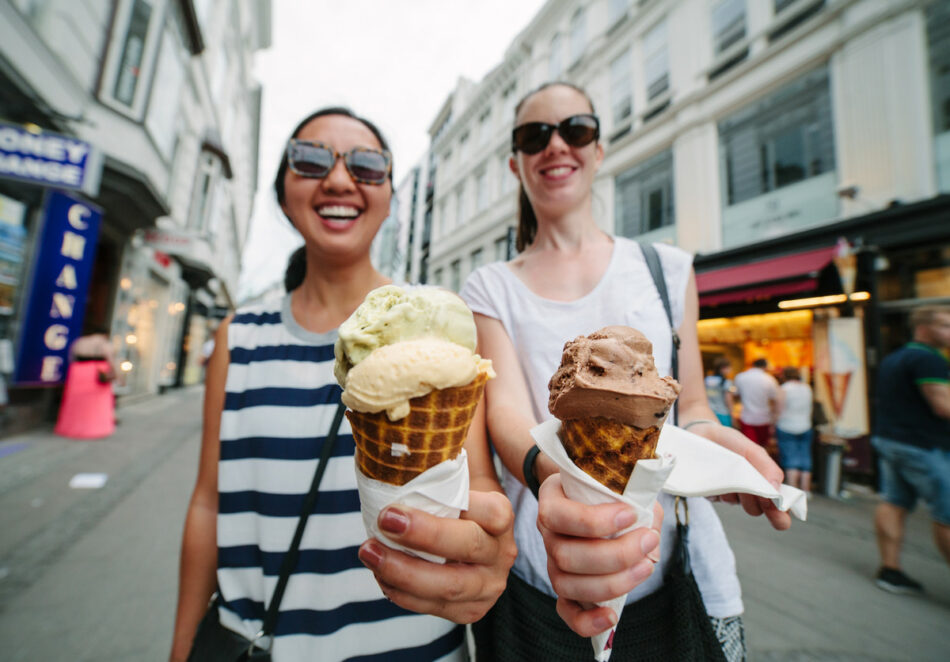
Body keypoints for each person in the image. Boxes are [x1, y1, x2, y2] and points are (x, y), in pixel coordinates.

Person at [169, 108, 516, 662]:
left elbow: (478, 487)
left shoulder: (439, 329)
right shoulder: (239, 338)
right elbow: (209, 505)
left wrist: (485, 550)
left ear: (389, 195)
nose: (337, 179)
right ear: (282, 190)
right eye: (309, 160)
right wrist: (183, 647)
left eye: (367, 166)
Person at [461, 82, 790, 662]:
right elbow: (506, 412)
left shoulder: (666, 268)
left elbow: (689, 408)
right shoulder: (490, 287)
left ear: (599, 149)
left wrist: (715, 446)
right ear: (516, 163)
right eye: (535, 136)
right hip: (546, 573)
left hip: (682, 578)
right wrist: (547, 476)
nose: (556, 145)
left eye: (576, 129)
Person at [871, 305, 950, 594]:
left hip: (891, 440)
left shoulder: (895, 358)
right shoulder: (930, 360)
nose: (949, 332)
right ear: (923, 327)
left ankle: (890, 569)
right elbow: (943, 405)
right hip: (923, 445)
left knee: (894, 502)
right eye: (945, 325)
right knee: (947, 512)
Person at [54, 328, 118, 439]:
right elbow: (111, 359)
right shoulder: (103, 343)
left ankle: (71, 427)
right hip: (96, 372)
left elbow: (71, 357)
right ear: (105, 335)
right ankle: (94, 429)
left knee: (75, 403)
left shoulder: (79, 342)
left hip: (78, 372)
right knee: (96, 404)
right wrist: (116, 374)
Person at [775, 367, 814, 492]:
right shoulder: (807, 388)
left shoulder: (784, 389)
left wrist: (773, 422)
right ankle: (806, 490)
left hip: (787, 426)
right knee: (805, 458)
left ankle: (793, 490)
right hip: (805, 425)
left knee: (790, 459)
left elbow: (779, 409)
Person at [734, 358, 782, 448]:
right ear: (765, 367)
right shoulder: (769, 379)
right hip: (764, 418)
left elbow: (736, 394)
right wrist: (775, 417)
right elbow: (775, 400)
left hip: (747, 418)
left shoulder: (740, 377)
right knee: (762, 448)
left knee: (749, 447)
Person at [705, 357, 737, 427]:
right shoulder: (727, 382)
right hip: (723, 413)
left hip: (709, 412)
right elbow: (728, 400)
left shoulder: (707, 380)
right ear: (723, 368)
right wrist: (732, 414)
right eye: (729, 368)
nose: (730, 370)